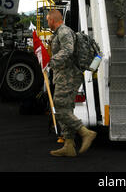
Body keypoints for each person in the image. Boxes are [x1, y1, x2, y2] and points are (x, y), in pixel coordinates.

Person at [47, 10, 97, 157]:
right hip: (64, 75)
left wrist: (51, 61)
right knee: (67, 108)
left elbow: (68, 51)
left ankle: (85, 132)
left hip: (68, 76)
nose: (47, 23)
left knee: (60, 107)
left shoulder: (63, 31)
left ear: (52, 19)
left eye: (48, 20)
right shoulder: (59, 33)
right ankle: (68, 145)